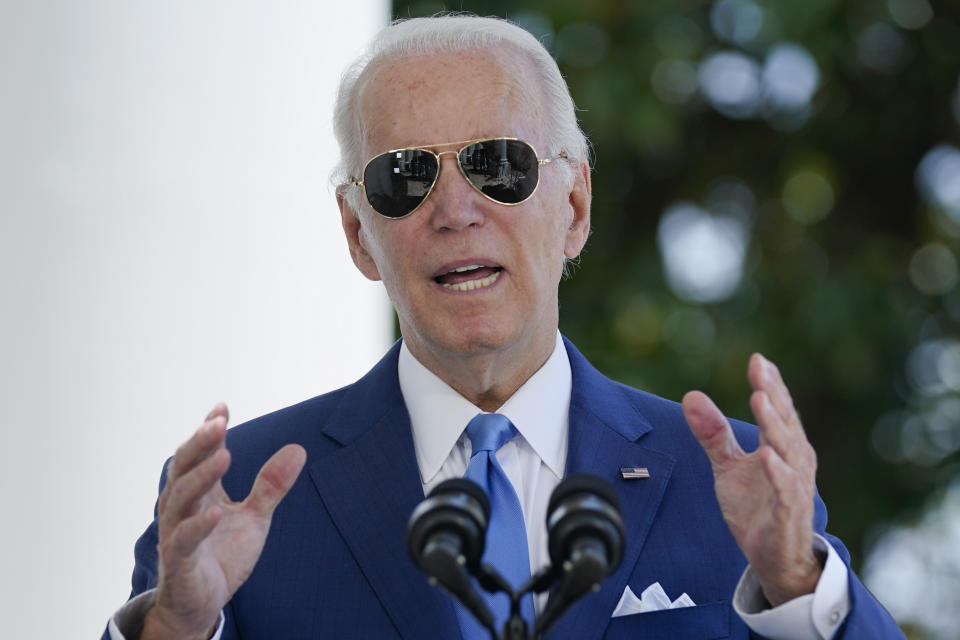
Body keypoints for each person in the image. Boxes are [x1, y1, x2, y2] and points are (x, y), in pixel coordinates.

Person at [105, 15, 904, 640]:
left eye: (498, 165)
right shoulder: (236, 496)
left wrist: (798, 585)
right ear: (358, 235)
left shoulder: (727, 482)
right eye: (404, 177)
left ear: (576, 207)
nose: (456, 210)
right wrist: (177, 630)